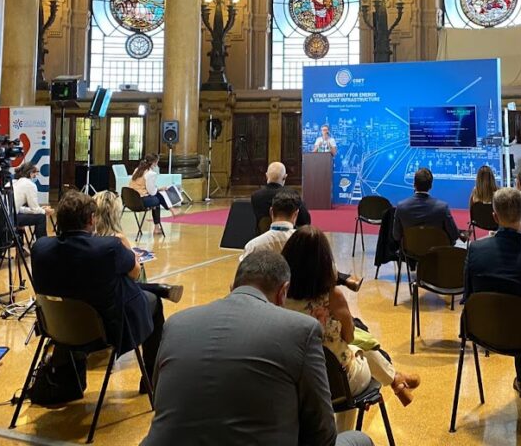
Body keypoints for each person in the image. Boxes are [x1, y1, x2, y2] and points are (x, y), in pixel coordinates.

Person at [140, 251, 373, 446]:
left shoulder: (176, 323)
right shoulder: (302, 329)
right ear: (283, 292)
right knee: (359, 439)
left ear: (232, 286)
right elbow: (323, 436)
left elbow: (161, 402)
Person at [31, 191, 164, 387]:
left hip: (57, 327)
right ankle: (152, 380)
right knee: (153, 301)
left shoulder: (40, 247)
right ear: (91, 219)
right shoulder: (109, 247)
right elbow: (134, 273)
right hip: (102, 331)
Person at [281, 226, 420, 407]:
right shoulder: (332, 296)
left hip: (291, 384)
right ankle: (395, 379)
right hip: (336, 385)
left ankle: (396, 378)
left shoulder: (278, 295)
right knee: (360, 347)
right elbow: (349, 336)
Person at [464, 187, 521, 399]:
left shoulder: (475, 250)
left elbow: (468, 295)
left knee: (514, 312)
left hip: (482, 331)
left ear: (494, 216)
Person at [244, 191, 363, 291]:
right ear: (296, 214)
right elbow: (331, 274)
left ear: (271, 212)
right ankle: (346, 279)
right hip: (305, 302)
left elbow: (243, 281)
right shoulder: (311, 241)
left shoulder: (253, 245)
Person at [92, 190, 184, 303]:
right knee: (138, 272)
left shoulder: (89, 237)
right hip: (116, 291)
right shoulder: (118, 239)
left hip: (98, 284)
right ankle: (158, 289)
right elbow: (134, 274)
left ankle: (160, 289)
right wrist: (134, 257)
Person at [393, 167, 463, 244]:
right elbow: (454, 235)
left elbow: (396, 236)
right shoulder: (442, 208)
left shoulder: (401, 207)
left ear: (414, 184)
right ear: (431, 186)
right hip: (436, 254)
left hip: (409, 253)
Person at [251, 161, 311, 229]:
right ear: (285, 177)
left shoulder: (256, 196)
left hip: (264, 235)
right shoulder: (293, 195)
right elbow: (305, 220)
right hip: (289, 237)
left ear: (266, 176)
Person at [130, 154, 168, 236]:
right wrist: (158, 189)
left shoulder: (137, 170)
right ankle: (157, 227)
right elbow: (152, 192)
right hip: (139, 202)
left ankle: (168, 206)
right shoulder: (150, 173)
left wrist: (157, 189)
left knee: (156, 198)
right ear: (154, 163)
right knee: (157, 199)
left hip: (130, 200)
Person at [13, 161, 48, 239]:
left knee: (39, 213)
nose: (36, 175)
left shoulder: (14, 182)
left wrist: (40, 209)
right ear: (31, 173)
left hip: (1, 214)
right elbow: (35, 210)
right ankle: (42, 245)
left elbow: (18, 208)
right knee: (41, 217)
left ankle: (20, 246)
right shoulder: (30, 185)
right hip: (10, 218)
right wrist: (44, 211)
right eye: (36, 173)